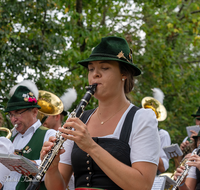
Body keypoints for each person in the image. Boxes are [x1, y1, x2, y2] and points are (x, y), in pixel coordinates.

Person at [41, 36, 160, 190]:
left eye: (104, 68)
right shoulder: (78, 120)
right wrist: (51, 168)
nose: (95, 74)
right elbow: (58, 187)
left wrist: (91, 147)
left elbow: (143, 185)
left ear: (124, 73)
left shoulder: (142, 119)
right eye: (91, 69)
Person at [0, 80, 57, 190]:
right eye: (11, 114)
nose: (13, 119)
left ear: (35, 112)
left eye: (18, 112)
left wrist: (25, 163)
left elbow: (54, 167)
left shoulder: (49, 134)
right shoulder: (10, 138)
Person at [42, 88, 77, 190]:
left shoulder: (69, 136)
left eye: (46, 115)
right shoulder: (41, 135)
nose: (42, 118)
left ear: (57, 117)